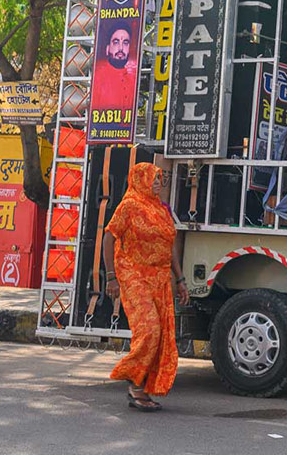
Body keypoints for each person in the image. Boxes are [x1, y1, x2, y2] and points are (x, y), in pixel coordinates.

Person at [103, 162, 189, 411]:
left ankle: (141, 389)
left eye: (160, 179)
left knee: (160, 335)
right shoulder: (129, 205)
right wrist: (111, 277)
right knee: (149, 329)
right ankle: (132, 380)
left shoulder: (161, 209)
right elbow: (109, 237)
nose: (158, 183)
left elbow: (169, 245)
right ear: (140, 179)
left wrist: (180, 279)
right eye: (153, 179)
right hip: (134, 274)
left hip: (160, 279)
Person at [91, 23, 137, 109]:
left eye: (125, 43)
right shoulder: (98, 78)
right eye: (116, 42)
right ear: (107, 49)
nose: (121, 48)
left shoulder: (133, 81)